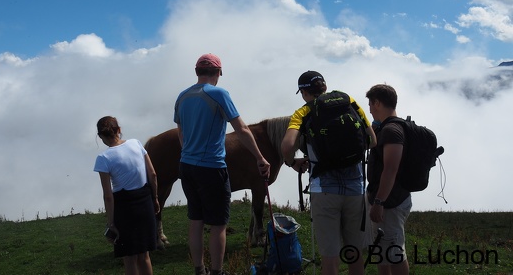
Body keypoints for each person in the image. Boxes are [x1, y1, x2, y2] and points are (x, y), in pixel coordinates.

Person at [174, 53, 271, 275]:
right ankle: (217, 272)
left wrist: (189, 152)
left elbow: (181, 133)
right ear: (218, 73)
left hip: (186, 166)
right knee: (218, 224)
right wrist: (260, 157)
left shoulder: (182, 96)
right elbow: (242, 129)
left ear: (197, 71)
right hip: (211, 167)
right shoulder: (218, 94)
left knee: (195, 220)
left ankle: (199, 270)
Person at [281, 71, 376, 275]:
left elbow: (287, 146)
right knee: (354, 252)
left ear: (304, 92)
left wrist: (293, 163)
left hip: (324, 190)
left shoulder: (303, 112)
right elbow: (373, 140)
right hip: (356, 188)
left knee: (330, 258)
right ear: (324, 86)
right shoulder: (348, 100)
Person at [94, 116, 160, 275]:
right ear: (119, 130)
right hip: (144, 201)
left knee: (129, 258)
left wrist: (111, 223)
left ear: (101, 136)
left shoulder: (103, 159)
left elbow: (108, 196)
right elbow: (152, 174)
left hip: (124, 208)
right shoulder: (136, 143)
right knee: (145, 255)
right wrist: (155, 198)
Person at [365, 84, 411, 275]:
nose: (368, 108)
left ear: (377, 103)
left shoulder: (392, 131)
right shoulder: (390, 127)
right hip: (389, 199)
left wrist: (378, 202)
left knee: (394, 251)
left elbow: (390, 169)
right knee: (382, 250)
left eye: (370, 103)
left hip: (389, 203)